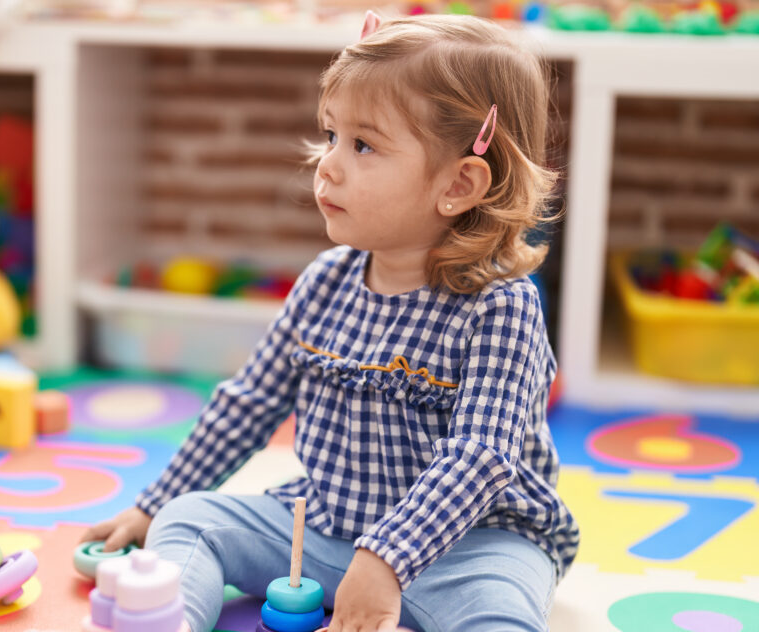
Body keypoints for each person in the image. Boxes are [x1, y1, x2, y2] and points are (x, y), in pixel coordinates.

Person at [79, 11, 579, 632]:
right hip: (324, 527)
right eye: (330, 135)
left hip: (471, 549)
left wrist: (389, 559)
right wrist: (154, 504)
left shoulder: (501, 307)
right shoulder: (325, 281)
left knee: (499, 612)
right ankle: (169, 620)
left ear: (459, 183)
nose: (328, 166)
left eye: (364, 145)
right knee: (189, 520)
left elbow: (481, 456)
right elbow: (248, 403)